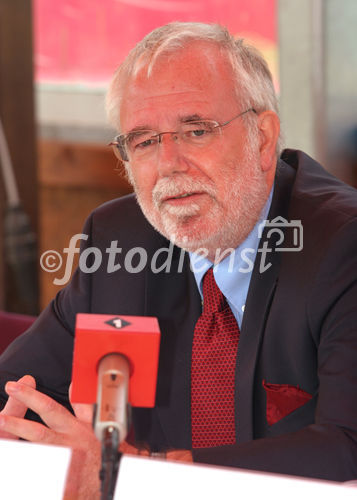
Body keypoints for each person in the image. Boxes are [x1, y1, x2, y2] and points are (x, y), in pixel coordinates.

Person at [0, 21, 357, 499]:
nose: (169, 164)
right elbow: (17, 393)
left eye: (196, 130)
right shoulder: (117, 241)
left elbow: (347, 445)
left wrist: (139, 477)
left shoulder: (342, 246)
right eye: (144, 141)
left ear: (264, 138)